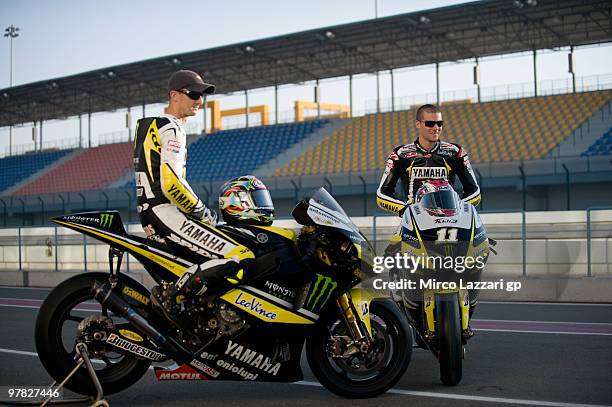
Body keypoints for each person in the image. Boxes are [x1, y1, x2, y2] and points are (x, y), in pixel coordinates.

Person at [133, 70, 256, 323]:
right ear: (174, 96)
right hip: (164, 211)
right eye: (194, 94)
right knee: (240, 255)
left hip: (152, 211)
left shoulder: (154, 125)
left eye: (202, 95)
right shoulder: (171, 128)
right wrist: (202, 212)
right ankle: (171, 299)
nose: (200, 100)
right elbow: (172, 183)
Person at [376, 104, 481, 215]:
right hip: (414, 222)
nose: (436, 128)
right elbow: (382, 194)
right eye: (430, 124)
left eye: (440, 123)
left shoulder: (455, 152)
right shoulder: (400, 154)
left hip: (449, 220)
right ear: (418, 124)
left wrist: (458, 209)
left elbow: (475, 192)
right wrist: (405, 210)